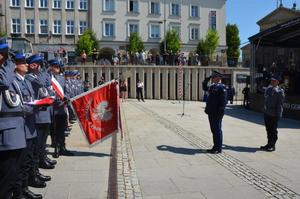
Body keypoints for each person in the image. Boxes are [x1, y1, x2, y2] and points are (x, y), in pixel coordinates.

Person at [0, 40, 28, 199]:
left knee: (12, 173)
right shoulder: (7, 72)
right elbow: (4, 82)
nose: (5, 58)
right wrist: (11, 63)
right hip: (6, 132)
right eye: (4, 55)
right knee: (6, 178)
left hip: (15, 130)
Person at [202, 71, 227, 154]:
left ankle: (218, 148)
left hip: (217, 113)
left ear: (218, 78)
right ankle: (215, 146)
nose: (212, 79)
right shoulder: (212, 87)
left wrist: (220, 112)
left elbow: (223, 102)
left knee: (217, 130)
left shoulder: (221, 87)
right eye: (212, 77)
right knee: (214, 130)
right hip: (211, 112)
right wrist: (206, 79)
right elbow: (204, 87)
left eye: (213, 77)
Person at [260, 75, 285, 152]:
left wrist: (278, 115)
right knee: (268, 129)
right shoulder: (269, 89)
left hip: (274, 114)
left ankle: (272, 145)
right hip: (267, 113)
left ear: (277, 82)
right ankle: (268, 144)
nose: (271, 82)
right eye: (271, 80)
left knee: (273, 130)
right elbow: (260, 89)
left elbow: (280, 104)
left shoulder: (280, 91)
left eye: (273, 81)